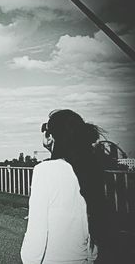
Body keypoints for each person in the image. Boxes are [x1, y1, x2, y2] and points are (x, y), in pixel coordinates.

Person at [21, 109, 107, 264]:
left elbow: (38, 228)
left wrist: (29, 260)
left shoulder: (44, 170)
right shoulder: (91, 169)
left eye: (45, 129)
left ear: (51, 136)